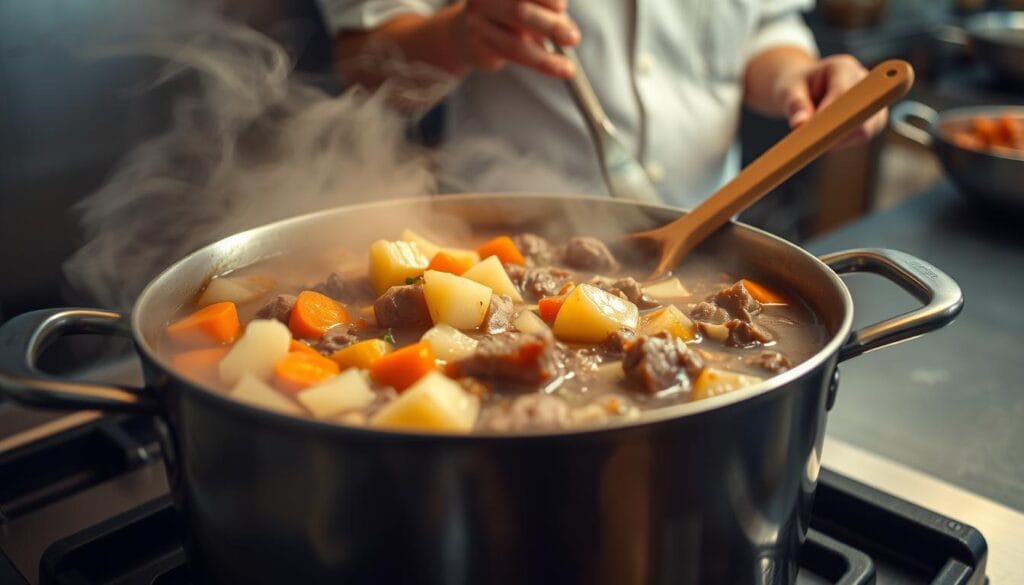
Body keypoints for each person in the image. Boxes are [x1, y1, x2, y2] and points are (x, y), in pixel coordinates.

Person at [315, 0, 887, 208]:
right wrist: (462, 35)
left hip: (702, 239)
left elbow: (764, 26)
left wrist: (799, 78)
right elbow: (363, 66)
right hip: (503, 256)